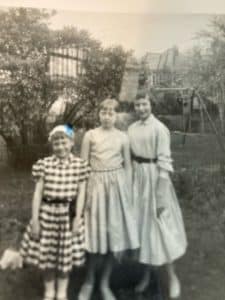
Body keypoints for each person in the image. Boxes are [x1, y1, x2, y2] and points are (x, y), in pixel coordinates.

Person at [78, 98, 139, 300]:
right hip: (96, 187)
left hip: (117, 189)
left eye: (111, 113)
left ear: (117, 116)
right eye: (103, 112)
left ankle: (105, 283)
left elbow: (128, 167)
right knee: (95, 236)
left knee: (114, 236)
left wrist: (128, 192)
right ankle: (89, 281)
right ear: (99, 114)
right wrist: (84, 192)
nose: (106, 116)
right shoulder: (90, 135)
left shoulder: (123, 137)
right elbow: (83, 166)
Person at [128, 91, 187, 299]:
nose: (141, 109)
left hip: (155, 181)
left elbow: (164, 163)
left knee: (160, 228)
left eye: (144, 104)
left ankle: (172, 277)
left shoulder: (160, 129)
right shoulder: (131, 129)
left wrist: (161, 195)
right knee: (143, 229)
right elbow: (130, 158)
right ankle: (147, 274)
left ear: (150, 104)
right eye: (137, 105)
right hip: (138, 181)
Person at [20, 124, 90, 300]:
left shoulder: (80, 165)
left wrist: (77, 218)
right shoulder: (44, 165)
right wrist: (35, 220)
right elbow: (38, 194)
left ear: (72, 142)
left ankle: (62, 292)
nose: (60, 147)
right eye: (56, 143)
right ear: (52, 145)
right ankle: (49, 290)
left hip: (68, 216)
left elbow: (81, 194)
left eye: (64, 142)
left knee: (64, 257)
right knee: (48, 256)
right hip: (47, 215)